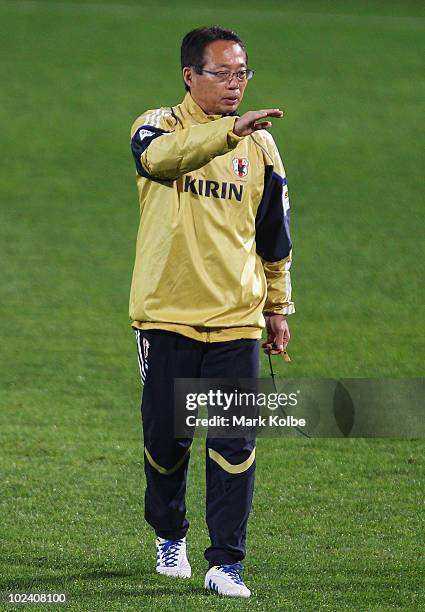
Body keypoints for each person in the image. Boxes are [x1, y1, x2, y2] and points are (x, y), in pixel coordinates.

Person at [129, 25, 295, 599]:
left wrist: (278, 306)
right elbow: (160, 161)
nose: (234, 85)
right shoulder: (156, 127)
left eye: (242, 73)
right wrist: (227, 134)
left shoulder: (263, 146)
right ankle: (169, 534)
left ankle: (227, 562)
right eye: (221, 73)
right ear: (189, 76)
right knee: (166, 443)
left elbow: (274, 237)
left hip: (236, 320)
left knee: (235, 444)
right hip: (165, 316)